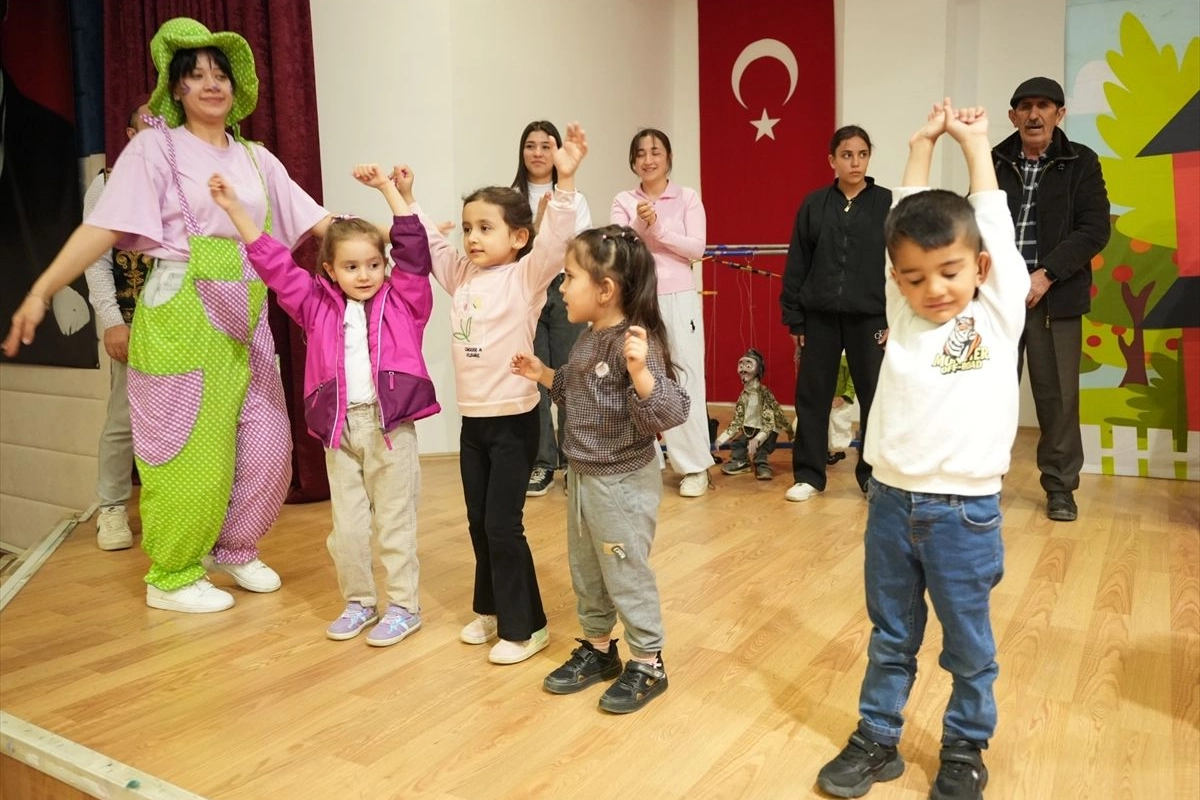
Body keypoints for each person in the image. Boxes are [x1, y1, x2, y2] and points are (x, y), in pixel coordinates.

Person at [2, 18, 332, 613]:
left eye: (220, 74)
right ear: (176, 88)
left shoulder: (257, 159)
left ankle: (234, 547)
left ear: (236, 86)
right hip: (181, 309)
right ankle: (172, 575)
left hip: (249, 313)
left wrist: (399, 237)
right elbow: (102, 228)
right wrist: (43, 289)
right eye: (196, 75)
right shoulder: (155, 148)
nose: (211, 84)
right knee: (188, 450)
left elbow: (319, 223)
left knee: (266, 445)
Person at [816, 100, 1028, 800]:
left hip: (964, 513)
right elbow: (900, 223)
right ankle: (878, 737)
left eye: (949, 272)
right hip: (890, 502)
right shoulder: (903, 312)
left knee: (967, 644)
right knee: (891, 634)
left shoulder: (996, 313)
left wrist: (974, 145)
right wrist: (918, 145)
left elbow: (991, 220)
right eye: (914, 278)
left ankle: (964, 746)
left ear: (980, 268)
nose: (933, 289)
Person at [210, 163, 439, 645]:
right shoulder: (314, 305)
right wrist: (235, 211)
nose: (364, 275)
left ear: (385, 264)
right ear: (330, 270)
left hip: (390, 430)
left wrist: (388, 190)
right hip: (340, 431)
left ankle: (404, 606)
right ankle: (359, 602)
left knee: (395, 524)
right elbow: (275, 266)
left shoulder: (405, 299)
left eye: (373, 264)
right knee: (348, 529)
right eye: (351, 267)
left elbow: (414, 249)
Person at [401, 123, 589, 665]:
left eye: (486, 228)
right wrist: (408, 198)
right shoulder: (463, 276)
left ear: (518, 237)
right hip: (474, 424)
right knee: (479, 521)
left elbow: (555, 240)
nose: (473, 238)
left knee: (504, 525)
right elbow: (433, 245)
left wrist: (566, 182)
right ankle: (491, 608)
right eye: (468, 228)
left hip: (513, 423)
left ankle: (527, 627)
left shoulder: (526, 279)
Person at [511, 225, 688, 712]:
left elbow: (670, 412)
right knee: (587, 569)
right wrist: (542, 374)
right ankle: (599, 648)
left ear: (605, 289)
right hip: (584, 476)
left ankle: (648, 661)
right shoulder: (589, 339)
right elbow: (576, 393)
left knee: (625, 572)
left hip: (622, 483)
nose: (562, 287)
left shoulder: (634, 343)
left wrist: (641, 372)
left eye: (569, 277)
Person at [992, 77, 1111, 522]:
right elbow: (974, 219)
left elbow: (1094, 229)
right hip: (997, 298)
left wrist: (1046, 274)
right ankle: (983, 480)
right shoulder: (994, 160)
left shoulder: (1081, 161)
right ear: (1013, 117)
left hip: (1054, 297)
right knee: (989, 393)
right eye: (1025, 107)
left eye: (1043, 106)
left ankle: (1060, 487)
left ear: (1060, 114)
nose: (1034, 114)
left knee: (1058, 397)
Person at [780, 126, 891, 503]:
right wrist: (795, 318)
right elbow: (797, 263)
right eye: (846, 155)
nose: (855, 162)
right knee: (812, 396)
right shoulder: (814, 205)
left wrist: (897, 318)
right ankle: (809, 475)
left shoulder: (887, 204)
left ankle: (874, 476)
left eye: (862, 154)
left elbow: (901, 263)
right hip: (820, 318)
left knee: (875, 397)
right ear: (832, 160)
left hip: (872, 317)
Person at [611, 129, 711, 498]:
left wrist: (659, 227)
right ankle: (645, 461)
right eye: (640, 153)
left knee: (685, 377)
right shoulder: (624, 200)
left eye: (655, 152)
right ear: (632, 161)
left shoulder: (687, 197)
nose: (648, 159)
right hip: (636, 299)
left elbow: (696, 249)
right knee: (637, 379)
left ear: (668, 157)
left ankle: (695, 465)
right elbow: (620, 249)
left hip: (678, 297)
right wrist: (641, 223)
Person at [83, 98, 155, 551]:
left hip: (186, 323)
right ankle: (111, 507)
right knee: (123, 419)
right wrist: (111, 321)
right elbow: (94, 259)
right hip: (132, 320)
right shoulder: (108, 183)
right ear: (130, 135)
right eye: (147, 124)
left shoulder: (189, 180)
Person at [511, 120, 593, 497]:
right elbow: (509, 251)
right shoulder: (510, 199)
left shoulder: (574, 197)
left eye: (546, 146)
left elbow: (579, 249)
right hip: (527, 292)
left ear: (558, 151)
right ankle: (542, 462)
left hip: (564, 290)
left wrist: (549, 228)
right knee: (535, 378)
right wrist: (537, 226)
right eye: (531, 145)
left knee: (570, 375)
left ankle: (576, 461)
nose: (538, 153)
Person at [714, 348, 793, 480]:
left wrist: (758, 439)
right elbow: (737, 421)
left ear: (758, 370)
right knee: (738, 443)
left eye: (748, 365)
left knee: (761, 448)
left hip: (767, 430)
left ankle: (762, 465)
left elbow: (769, 424)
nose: (743, 369)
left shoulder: (764, 395)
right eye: (741, 365)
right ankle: (741, 462)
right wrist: (722, 438)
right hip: (750, 428)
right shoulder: (743, 396)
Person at [827, 352, 856, 466]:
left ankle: (837, 450)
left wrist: (844, 397)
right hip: (825, 396)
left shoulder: (847, 357)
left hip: (840, 398)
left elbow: (852, 378)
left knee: (838, 425)